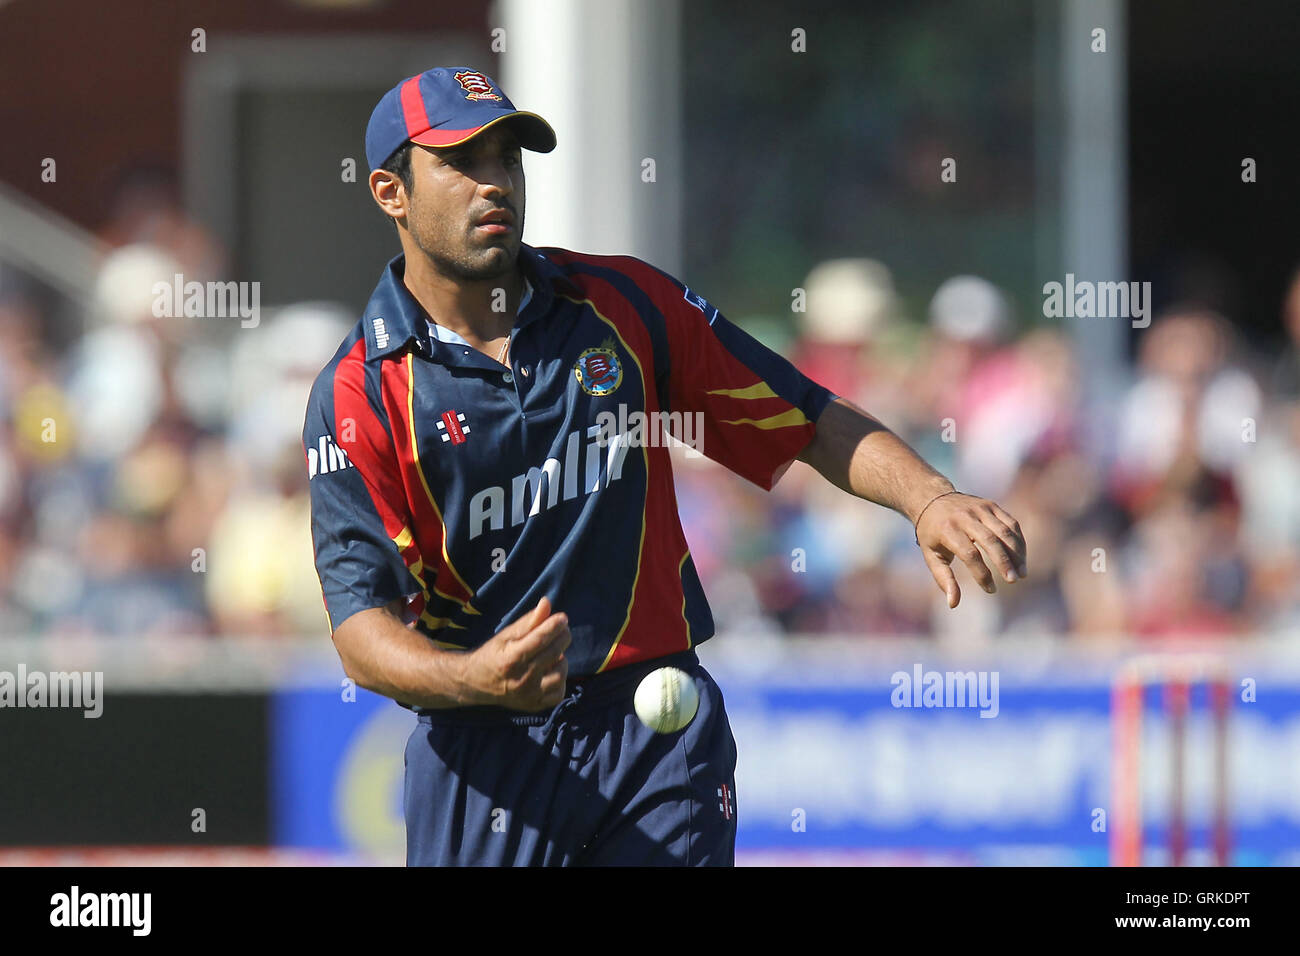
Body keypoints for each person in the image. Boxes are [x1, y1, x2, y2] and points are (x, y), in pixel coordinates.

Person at [304, 67, 1029, 866]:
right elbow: (361, 632)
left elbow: (807, 416)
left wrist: (928, 498)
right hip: (484, 753)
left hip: (656, 732)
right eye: (462, 162)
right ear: (390, 192)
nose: (495, 183)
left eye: (508, 159)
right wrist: (477, 677)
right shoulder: (359, 395)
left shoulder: (624, 302)